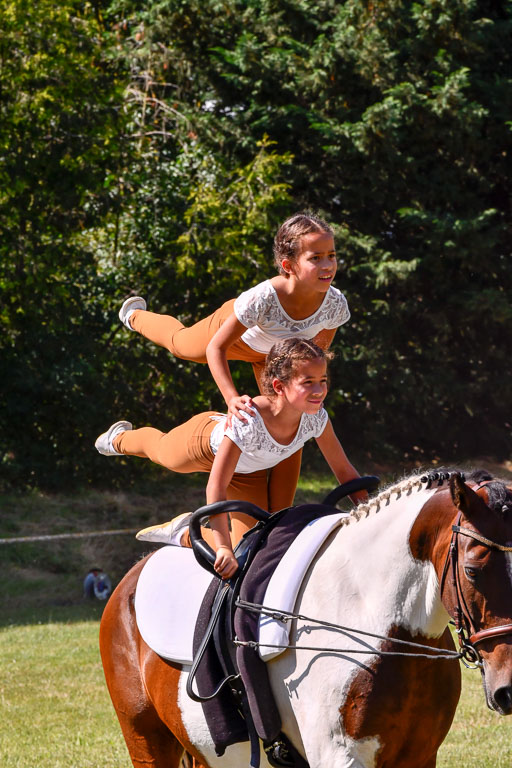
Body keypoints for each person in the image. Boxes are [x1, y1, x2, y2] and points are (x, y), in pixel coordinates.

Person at [95, 338, 366, 580]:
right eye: (308, 382)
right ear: (279, 387)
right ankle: (119, 439)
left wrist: (368, 510)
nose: (319, 389)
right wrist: (221, 546)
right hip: (203, 446)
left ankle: (183, 531)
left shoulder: (316, 417)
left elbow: (343, 470)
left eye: (323, 381)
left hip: (247, 473)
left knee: (252, 548)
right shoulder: (250, 419)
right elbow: (216, 486)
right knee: (162, 451)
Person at [118, 212, 350, 424]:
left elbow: (313, 358)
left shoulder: (335, 304)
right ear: (289, 266)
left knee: (287, 418)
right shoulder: (263, 298)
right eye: (316, 258)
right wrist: (232, 398)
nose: (328, 265)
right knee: (179, 344)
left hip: (272, 358)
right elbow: (215, 348)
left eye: (331, 255)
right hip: (232, 337)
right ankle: (134, 316)